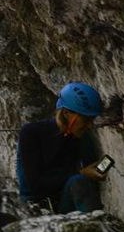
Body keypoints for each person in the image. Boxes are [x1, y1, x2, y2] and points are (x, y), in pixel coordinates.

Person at [17, 82, 105, 214]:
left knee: (79, 181)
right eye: (86, 120)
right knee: (78, 180)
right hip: (37, 208)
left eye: (92, 120)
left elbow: (88, 183)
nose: (90, 126)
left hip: (65, 202)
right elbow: (35, 185)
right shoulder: (31, 133)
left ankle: (99, 225)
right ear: (66, 113)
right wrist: (81, 173)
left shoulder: (82, 138)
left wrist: (94, 174)